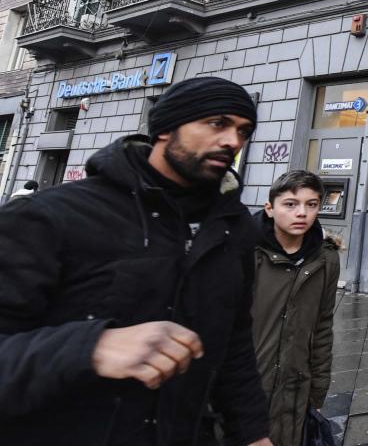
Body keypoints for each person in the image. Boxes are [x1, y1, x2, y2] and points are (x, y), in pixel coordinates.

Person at [0, 76, 273, 446]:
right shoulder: (49, 217)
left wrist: (253, 433)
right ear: (165, 129)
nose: (233, 141)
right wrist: (90, 347)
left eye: (244, 130)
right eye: (217, 123)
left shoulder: (234, 227)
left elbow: (234, 343)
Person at [252, 170, 340, 446]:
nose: (301, 213)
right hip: (246, 385)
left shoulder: (326, 260)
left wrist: (317, 388)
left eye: (311, 204)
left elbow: (323, 326)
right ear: (270, 208)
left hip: (294, 389)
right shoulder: (244, 253)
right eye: (290, 204)